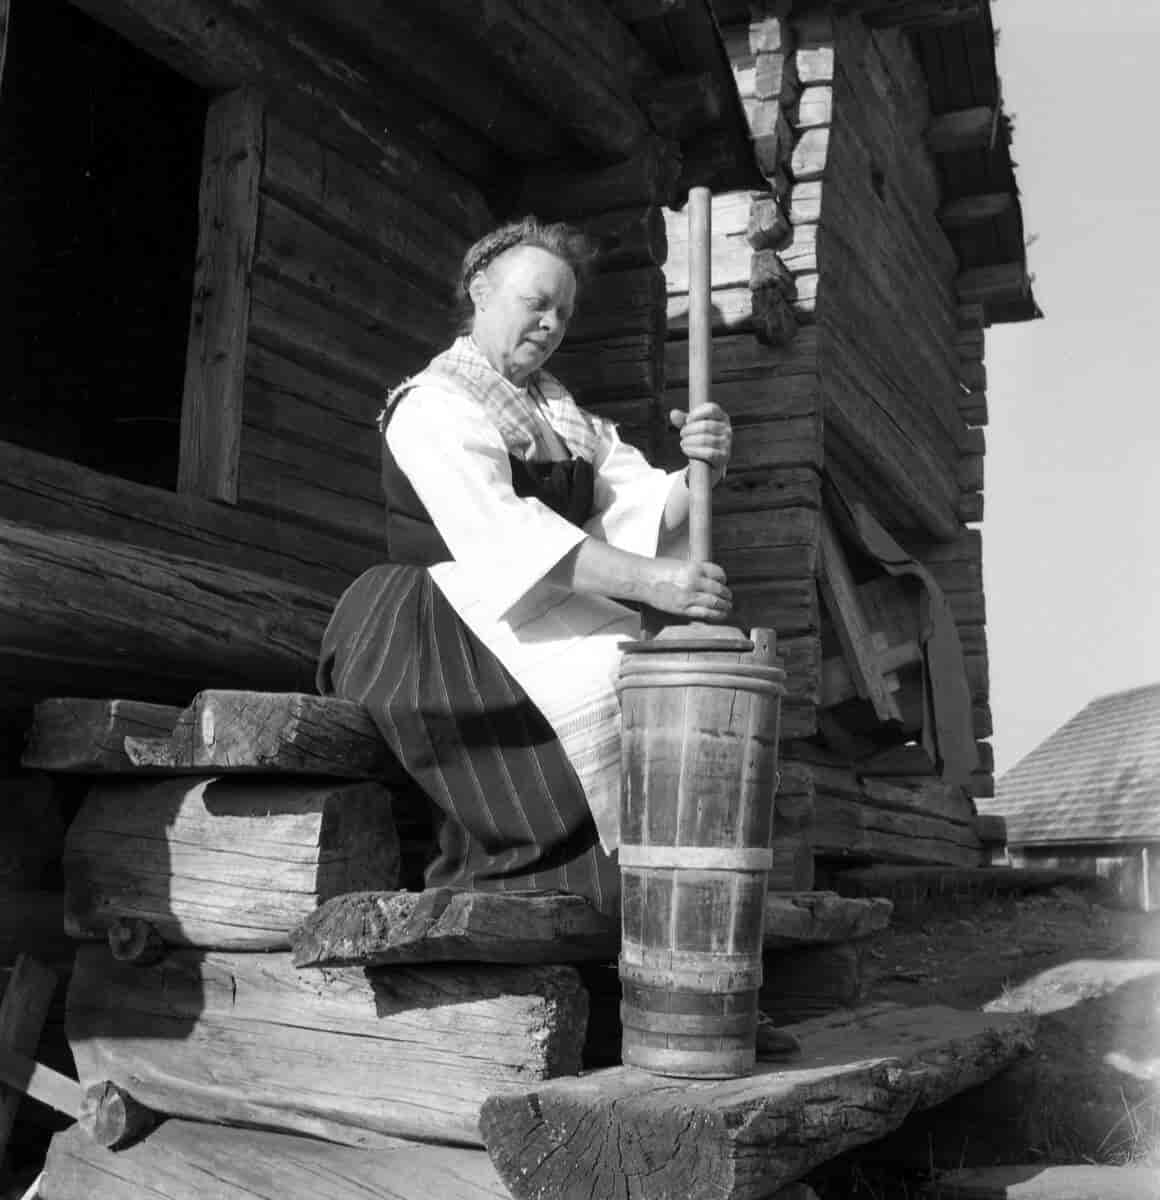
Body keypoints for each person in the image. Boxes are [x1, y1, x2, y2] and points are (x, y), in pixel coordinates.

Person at [316, 216, 733, 919]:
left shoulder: (566, 419)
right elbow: (505, 537)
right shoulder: (433, 405)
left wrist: (702, 469)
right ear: (480, 291)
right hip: (432, 620)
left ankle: (652, 923)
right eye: (535, 302)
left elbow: (639, 503)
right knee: (609, 679)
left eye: (563, 312)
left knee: (648, 674)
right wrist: (660, 582)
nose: (551, 324)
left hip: (537, 600)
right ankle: (524, 906)